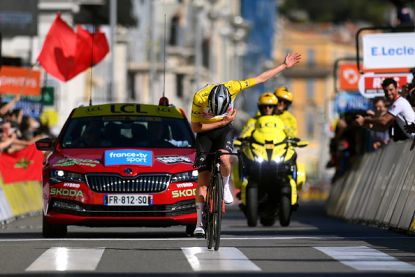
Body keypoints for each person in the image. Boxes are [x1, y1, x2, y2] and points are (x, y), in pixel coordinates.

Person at [191, 52, 301, 236]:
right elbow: (196, 127)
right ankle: (199, 223)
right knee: (202, 180)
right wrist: (222, 121)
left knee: (226, 159)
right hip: (205, 130)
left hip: (224, 129)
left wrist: (283, 66)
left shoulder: (233, 86)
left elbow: (260, 78)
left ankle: (225, 185)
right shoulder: (199, 98)